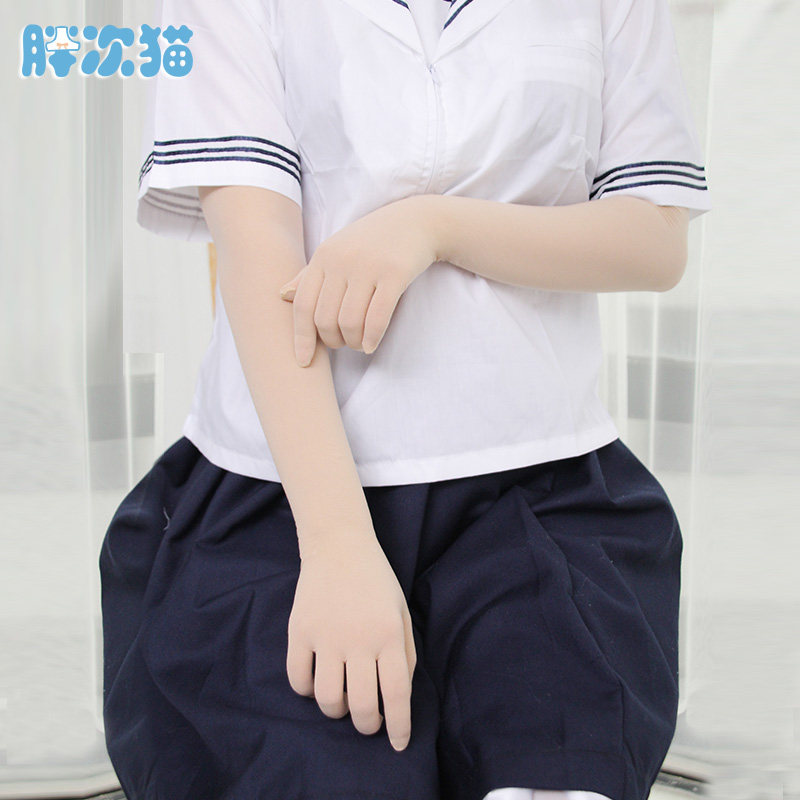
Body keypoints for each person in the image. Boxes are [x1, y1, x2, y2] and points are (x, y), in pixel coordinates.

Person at [99, 0, 712, 798]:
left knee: (561, 767)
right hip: (286, 497)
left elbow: (654, 237)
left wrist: (431, 227)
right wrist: (337, 548)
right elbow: (258, 257)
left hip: (541, 494)